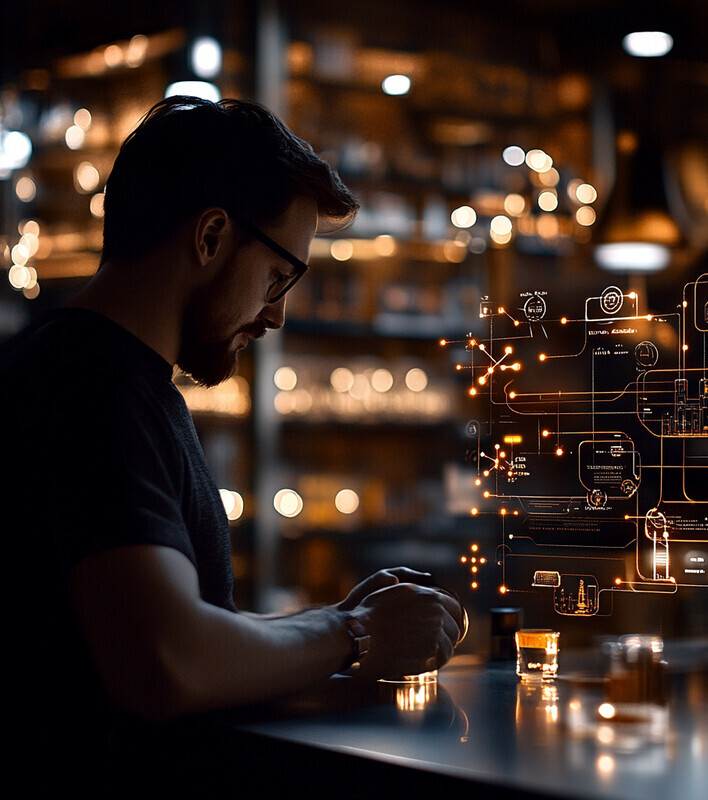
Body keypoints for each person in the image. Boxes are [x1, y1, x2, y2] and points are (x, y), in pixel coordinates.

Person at [0, 97, 463, 792]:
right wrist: (354, 634)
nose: (276, 313)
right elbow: (165, 660)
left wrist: (337, 623)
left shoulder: (107, 378)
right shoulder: (89, 385)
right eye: (279, 277)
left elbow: (188, 640)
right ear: (211, 236)